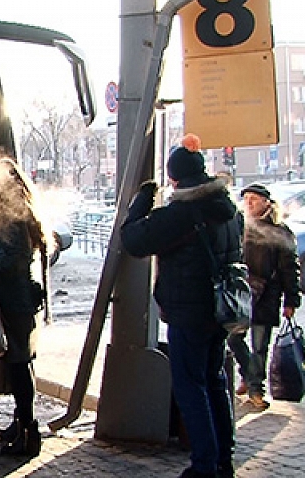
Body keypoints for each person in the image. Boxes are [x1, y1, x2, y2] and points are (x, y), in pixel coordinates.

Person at [121, 134, 239, 478]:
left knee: (191, 386)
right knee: (215, 381)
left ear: (174, 178)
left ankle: (204, 465)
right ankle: (223, 459)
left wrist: (142, 201)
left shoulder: (183, 212)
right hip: (220, 311)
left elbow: (134, 240)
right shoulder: (227, 209)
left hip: (189, 313)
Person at [0, 157, 46, 458]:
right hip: (18, 299)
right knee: (20, 366)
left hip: (15, 300)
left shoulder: (14, 218)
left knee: (19, 366)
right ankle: (22, 424)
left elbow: (13, 260)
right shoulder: (14, 213)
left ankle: (28, 433)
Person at [228, 182, 301, 410]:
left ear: (267, 202)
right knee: (234, 339)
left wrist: (291, 300)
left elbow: (290, 268)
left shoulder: (279, 231)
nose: (249, 203)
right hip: (242, 293)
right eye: (246, 198)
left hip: (266, 296)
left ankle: (255, 389)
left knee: (260, 345)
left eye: (254, 199)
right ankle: (248, 376)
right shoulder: (240, 226)